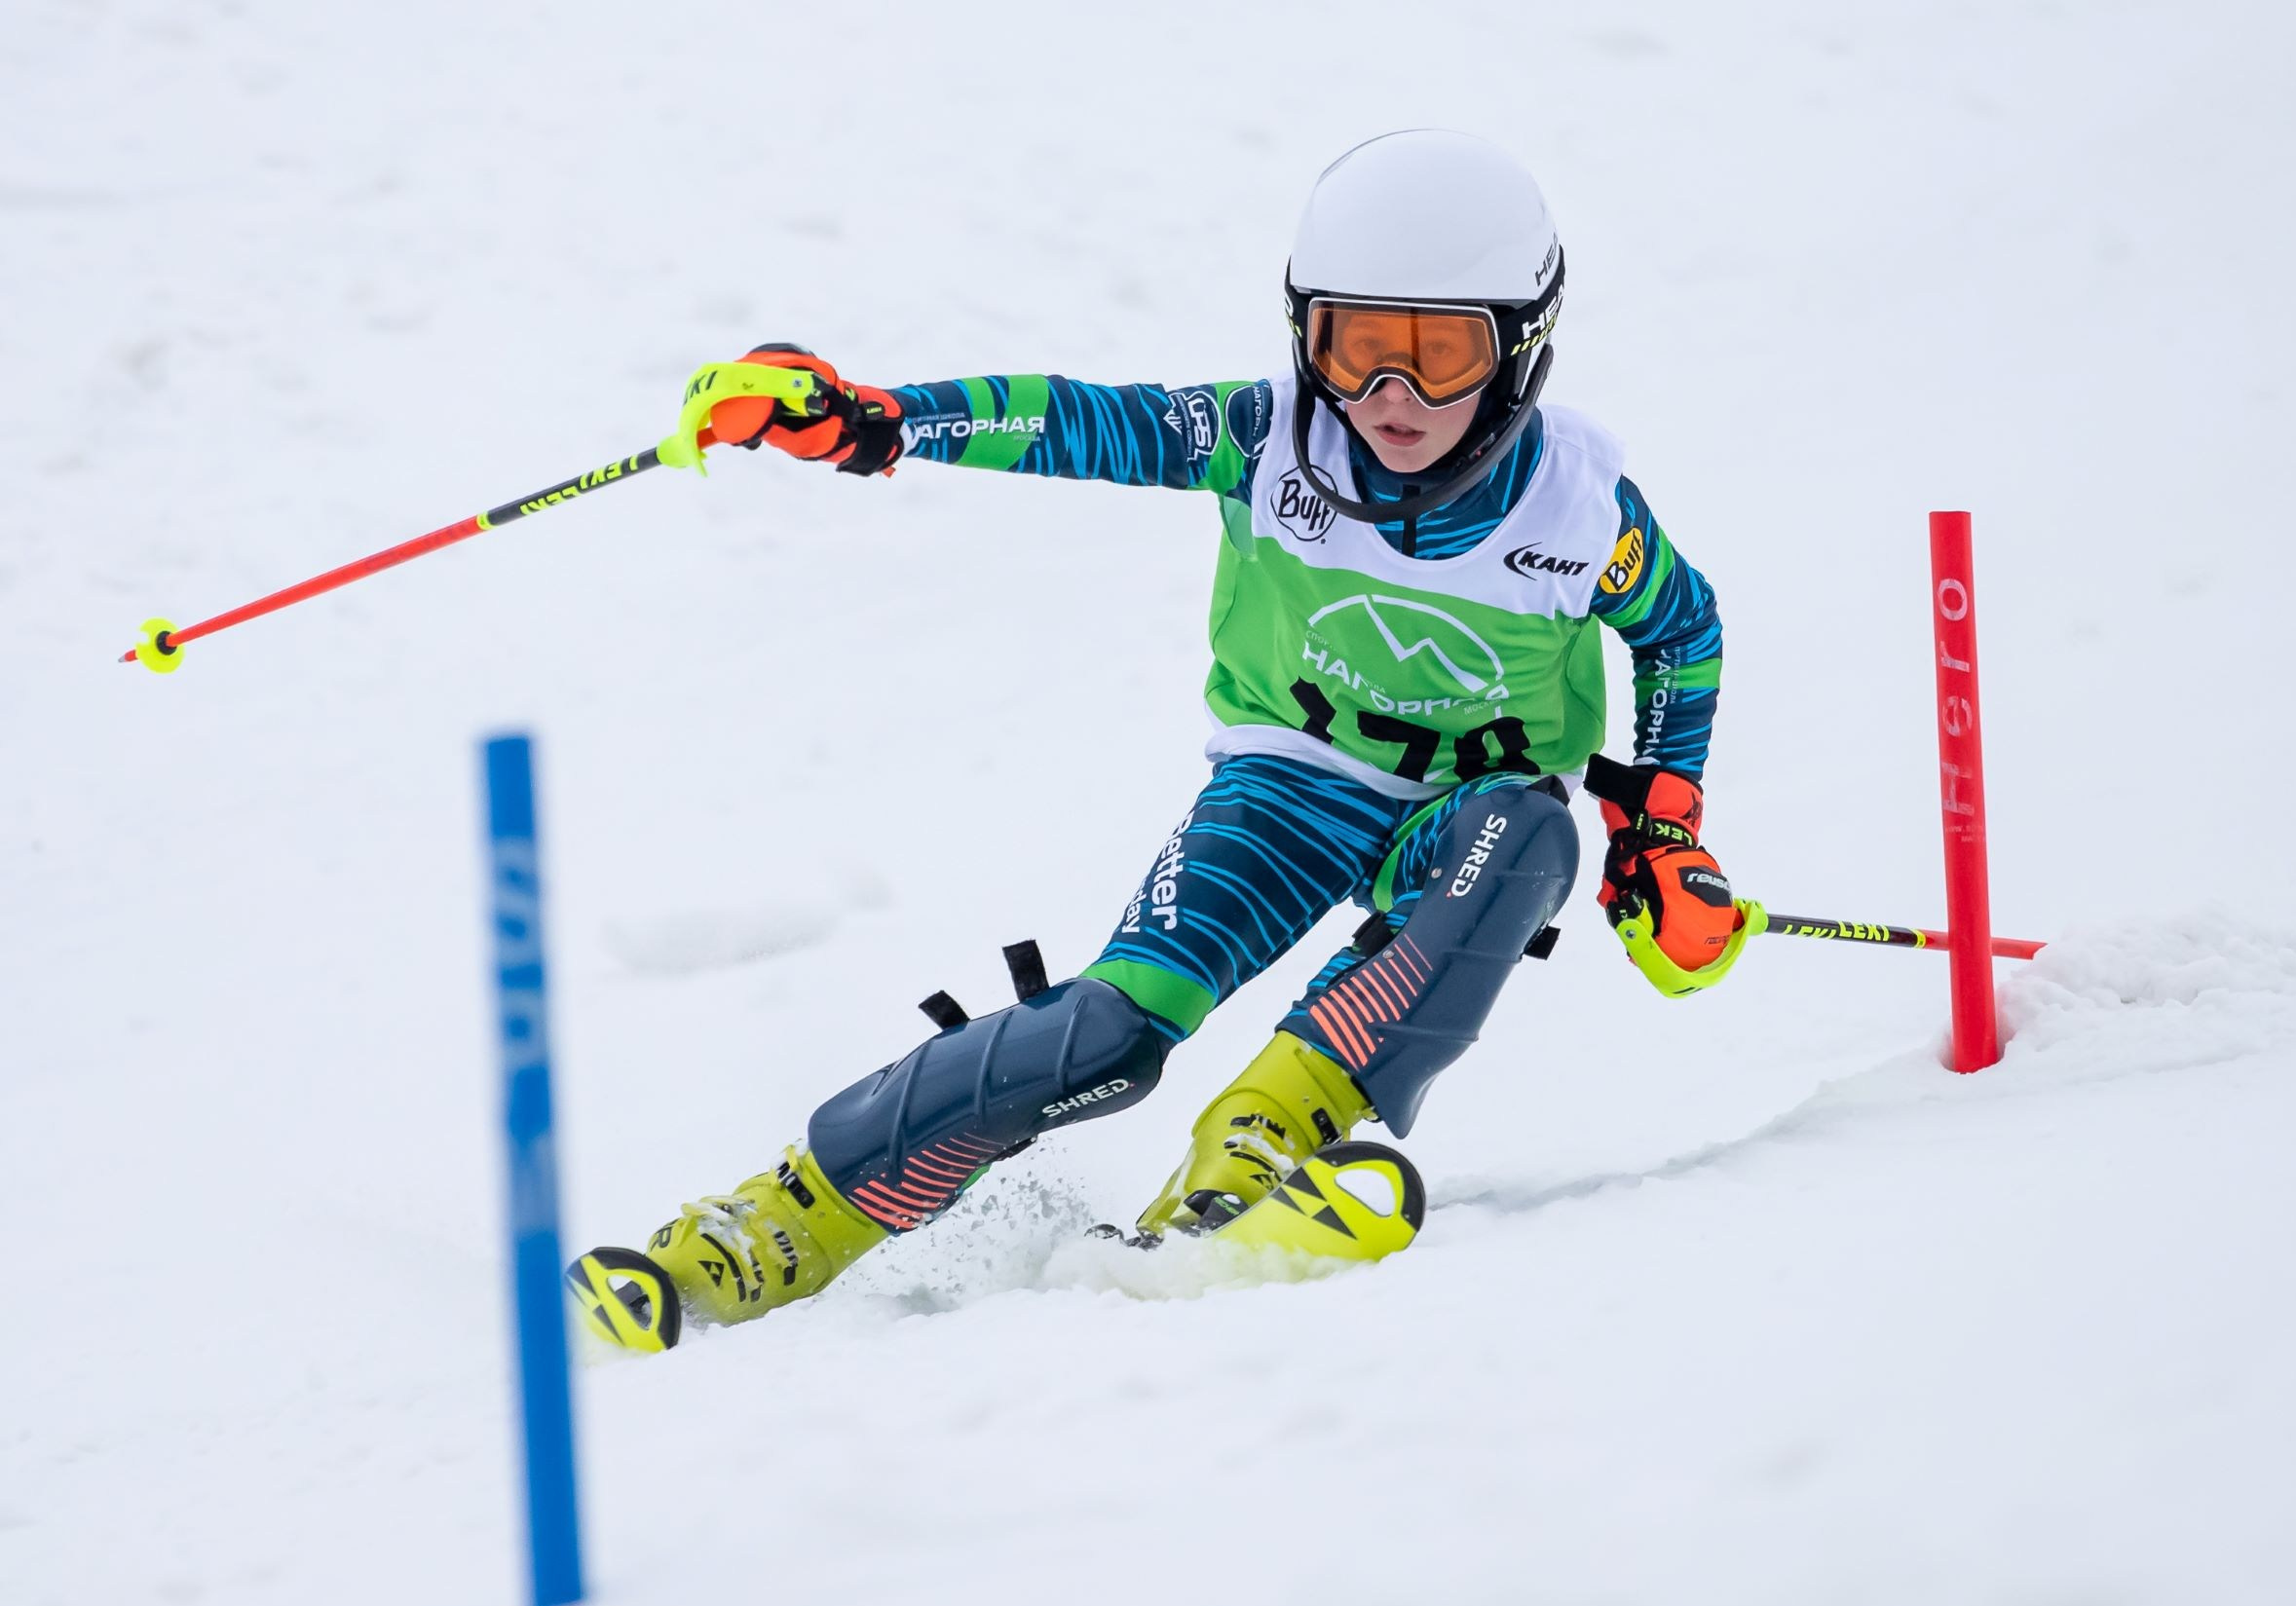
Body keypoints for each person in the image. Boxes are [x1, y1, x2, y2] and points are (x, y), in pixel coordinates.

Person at [567, 129, 1759, 1353]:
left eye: (1437, 353)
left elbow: (1683, 632)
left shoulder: (1579, 512)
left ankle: (1256, 1151)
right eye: (1356, 346)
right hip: (1287, 791)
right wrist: (877, 421)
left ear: (1519, 351)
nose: (1387, 401)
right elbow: (1076, 422)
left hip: (1461, 813)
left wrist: (1658, 833)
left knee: (1524, 838)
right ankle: (774, 1224)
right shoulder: (1265, 437)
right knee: (1108, 1040)